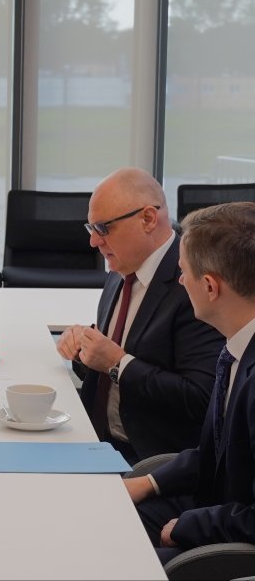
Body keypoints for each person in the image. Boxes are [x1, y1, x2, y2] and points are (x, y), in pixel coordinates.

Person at [56, 167, 224, 464]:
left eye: (103, 228)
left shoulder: (193, 284)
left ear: (148, 219)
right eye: (91, 228)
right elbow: (112, 370)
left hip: (150, 460)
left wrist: (116, 362)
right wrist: (84, 351)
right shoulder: (120, 268)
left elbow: (201, 399)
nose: (93, 241)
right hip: (93, 441)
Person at [124, 201, 255, 565]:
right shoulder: (235, 348)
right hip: (213, 504)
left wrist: (190, 526)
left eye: (183, 272)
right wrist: (148, 483)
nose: (180, 281)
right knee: (97, 516)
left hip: (230, 534)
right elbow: (219, 452)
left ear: (210, 286)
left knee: (109, 558)